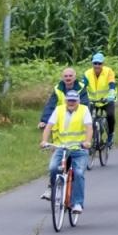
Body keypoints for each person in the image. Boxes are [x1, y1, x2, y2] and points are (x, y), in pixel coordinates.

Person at [41, 87, 92, 216]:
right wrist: (44, 141)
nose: (71, 103)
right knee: (53, 168)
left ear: (78, 101)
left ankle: (77, 203)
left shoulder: (84, 110)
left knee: (79, 173)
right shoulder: (59, 110)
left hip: (79, 149)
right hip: (61, 147)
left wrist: (87, 142)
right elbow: (49, 126)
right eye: (69, 100)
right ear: (65, 100)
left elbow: (89, 128)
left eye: (74, 101)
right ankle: (54, 190)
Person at [84, 53, 118, 144]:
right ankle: (92, 138)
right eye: (95, 63)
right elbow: (83, 86)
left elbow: (112, 83)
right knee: (88, 119)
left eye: (99, 63)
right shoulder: (87, 73)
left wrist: (111, 94)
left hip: (107, 100)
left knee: (110, 115)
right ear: (92, 64)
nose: (97, 66)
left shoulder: (108, 71)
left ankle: (110, 135)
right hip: (93, 100)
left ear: (102, 64)